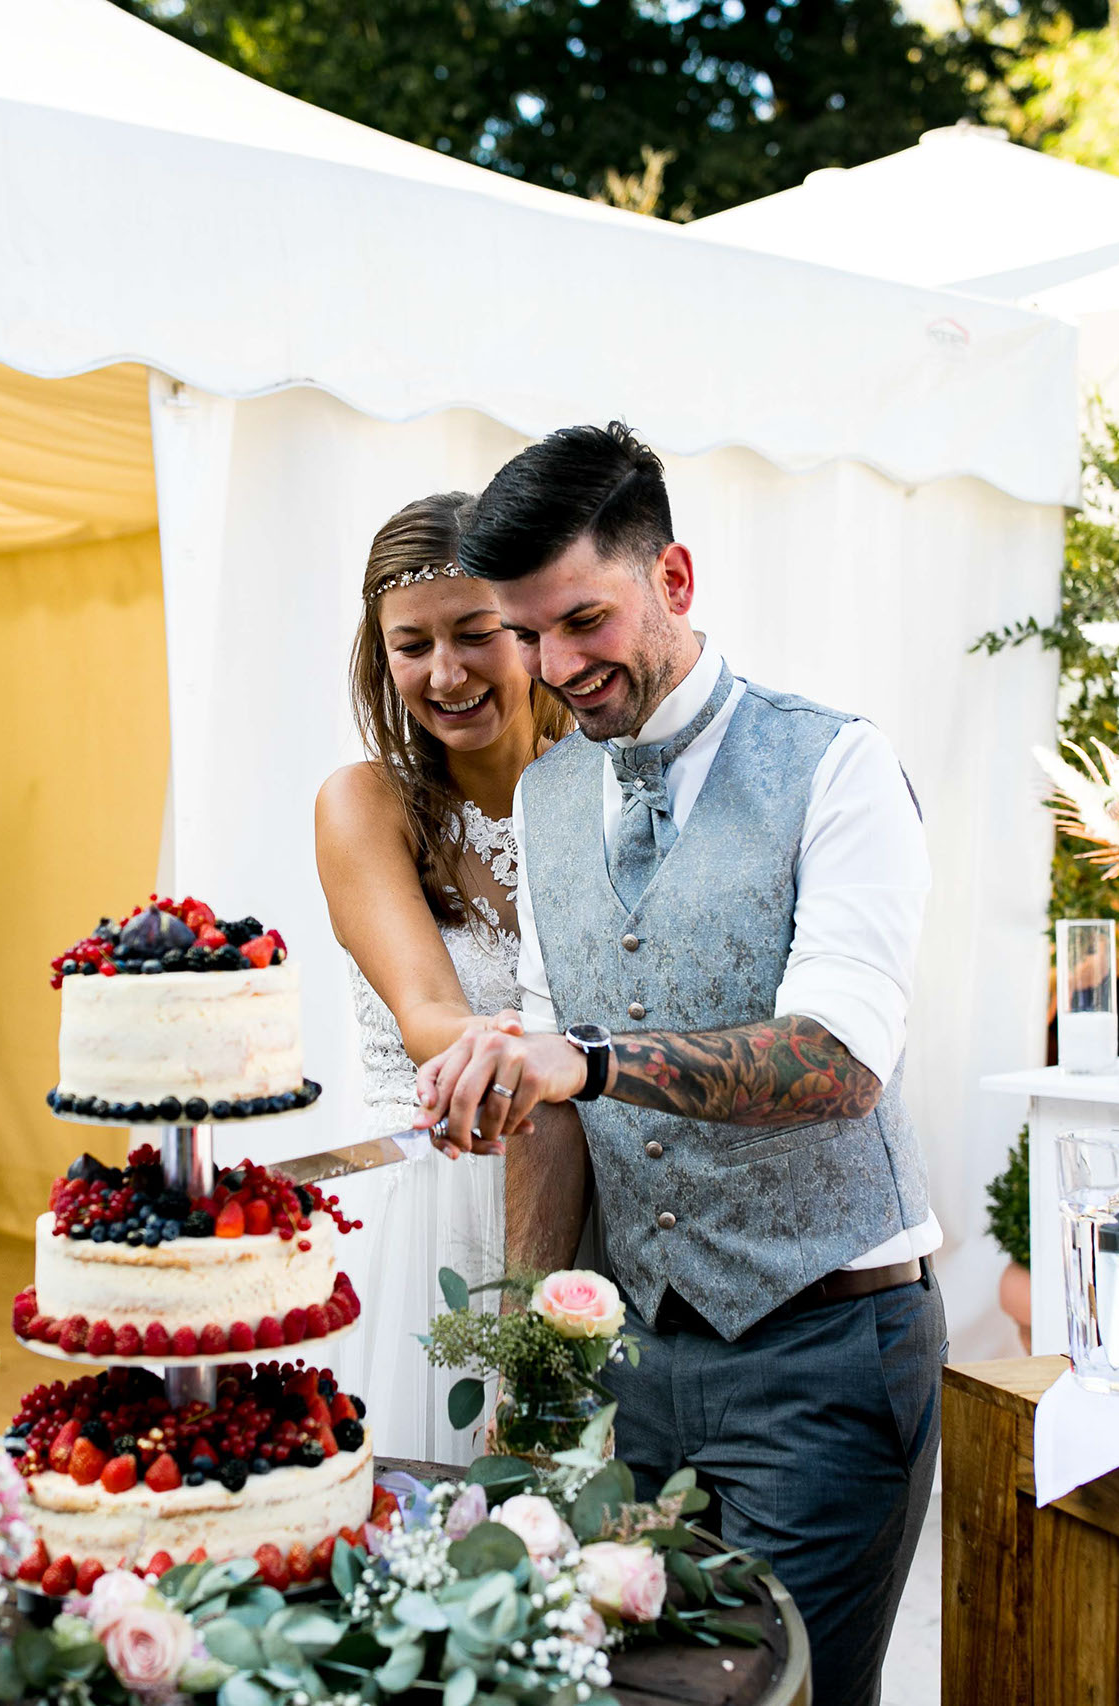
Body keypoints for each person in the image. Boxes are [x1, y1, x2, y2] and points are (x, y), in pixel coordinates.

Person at [413, 425, 942, 1706]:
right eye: (531, 633)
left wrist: (582, 1059)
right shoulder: (544, 796)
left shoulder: (837, 763)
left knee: (778, 1695)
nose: (558, 665)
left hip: (824, 1350)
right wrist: (535, 1359)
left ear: (677, 579)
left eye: (585, 620)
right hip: (637, 1361)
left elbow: (836, 1060)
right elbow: (548, 1111)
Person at [314, 492, 591, 1463]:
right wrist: (522, 1048)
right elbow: (429, 1009)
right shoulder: (364, 801)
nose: (445, 672)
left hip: (597, 1213)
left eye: (474, 633)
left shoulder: (605, 785)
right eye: (410, 644)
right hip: (429, 1216)